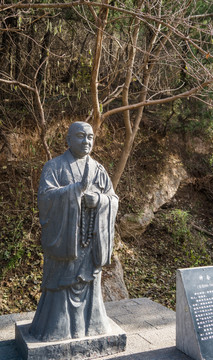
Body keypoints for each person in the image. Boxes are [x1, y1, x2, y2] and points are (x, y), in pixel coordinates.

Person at [30, 121, 118, 342]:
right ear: (68, 140)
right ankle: (56, 330)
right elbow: (45, 198)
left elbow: (113, 199)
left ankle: (93, 326)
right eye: (80, 136)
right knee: (60, 288)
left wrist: (98, 199)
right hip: (65, 243)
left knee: (91, 287)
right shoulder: (54, 167)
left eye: (90, 137)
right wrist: (75, 191)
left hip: (90, 245)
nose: (86, 141)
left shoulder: (98, 169)